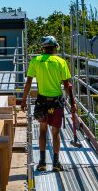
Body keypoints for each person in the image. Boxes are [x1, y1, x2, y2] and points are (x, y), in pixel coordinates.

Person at [21, 35, 74, 172]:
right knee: (55, 133)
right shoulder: (61, 62)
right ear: (55, 47)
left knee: (42, 131)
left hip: (41, 101)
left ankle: (42, 162)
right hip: (56, 102)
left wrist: (23, 100)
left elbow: (28, 82)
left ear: (43, 48)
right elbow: (67, 85)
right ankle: (56, 163)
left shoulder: (36, 61)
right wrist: (73, 103)